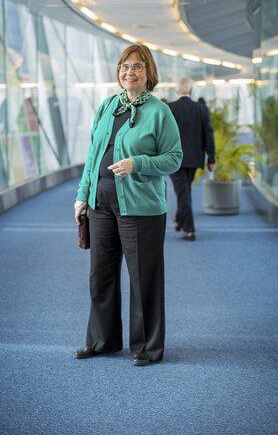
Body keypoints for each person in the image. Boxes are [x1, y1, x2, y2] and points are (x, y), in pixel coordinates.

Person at [74, 44, 183, 366]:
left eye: (136, 67)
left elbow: (174, 158)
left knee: (143, 278)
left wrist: (139, 163)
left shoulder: (159, 111)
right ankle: (102, 341)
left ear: (148, 73)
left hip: (140, 206)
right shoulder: (108, 106)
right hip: (101, 203)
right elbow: (93, 155)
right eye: (124, 66)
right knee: (101, 276)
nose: (129, 72)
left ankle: (147, 348)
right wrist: (83, 194)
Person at [169, 77, 216, 241]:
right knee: (184, 190)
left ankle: (189, 229)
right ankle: (180, 218)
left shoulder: (170, 108)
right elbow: (208, 135)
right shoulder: (201, 109)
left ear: (177, 91)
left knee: (182, 192)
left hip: (174, 160)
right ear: (191, 91)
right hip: (194, 158)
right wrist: (211, 158)